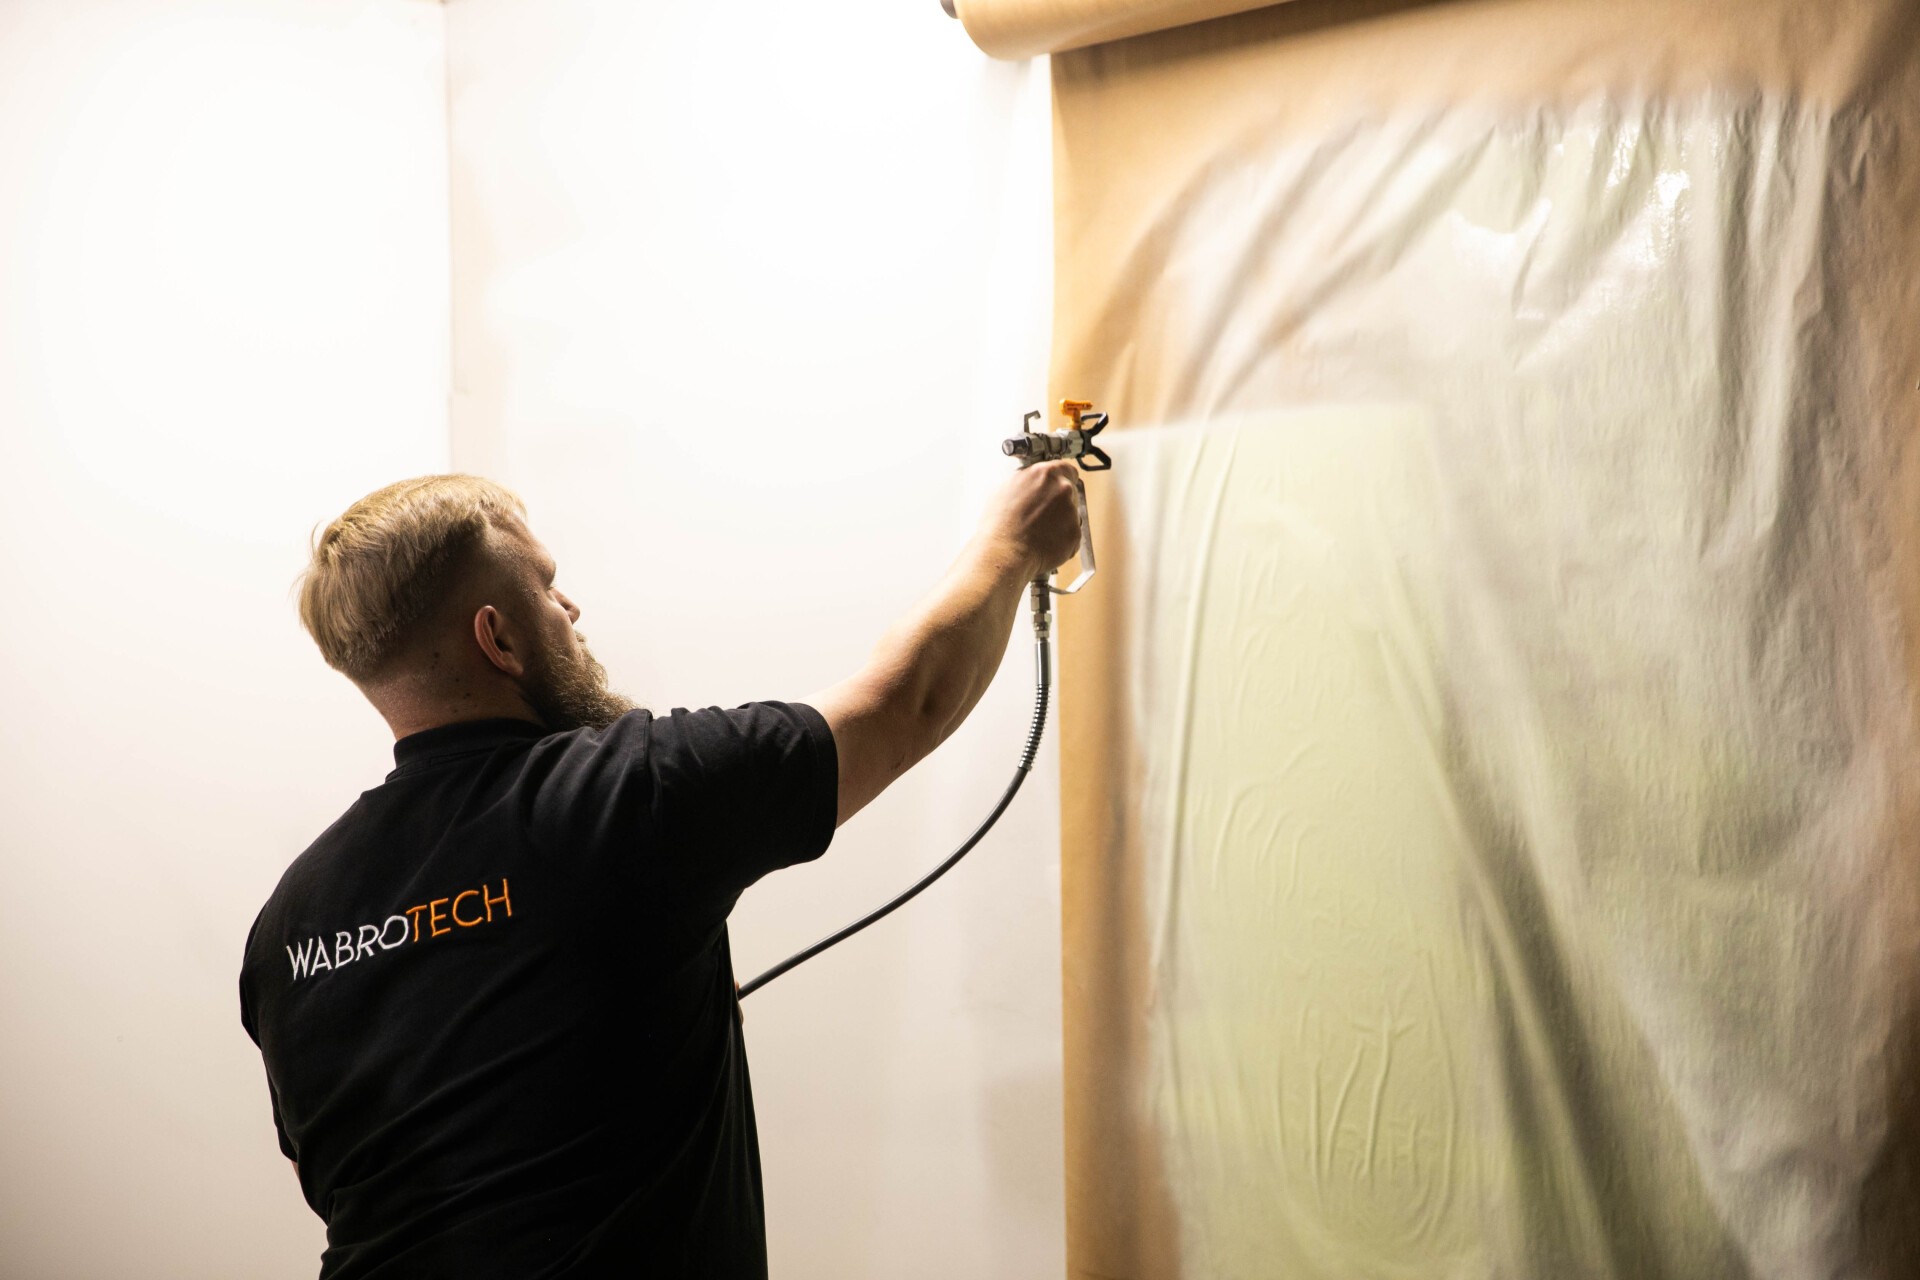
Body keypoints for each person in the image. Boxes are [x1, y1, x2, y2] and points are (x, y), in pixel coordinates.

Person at [238, 464, 1085, 1278]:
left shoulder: (285, 928)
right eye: (546, 585)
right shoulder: (624, 794)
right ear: (498, 638)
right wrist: (1015, 539)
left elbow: (361, 1165)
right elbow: (908, 703)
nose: (570, 609)